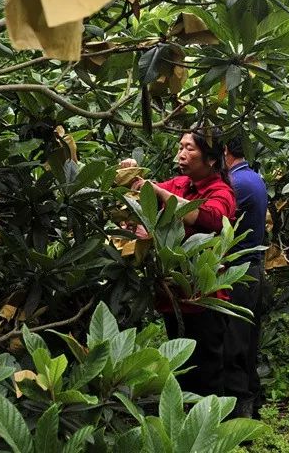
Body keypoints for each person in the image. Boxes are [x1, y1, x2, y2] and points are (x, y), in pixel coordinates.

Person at [120, 129, 236, 396]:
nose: (181, 154)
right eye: (180, 147)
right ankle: (183, 426)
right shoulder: (181, 184)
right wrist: (130, 174)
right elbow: (145, 190)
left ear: (211, 159)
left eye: (189, 148)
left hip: (203, 299)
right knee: (181, 370)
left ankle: (209, 429)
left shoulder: (222, 192)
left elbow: (211, 219)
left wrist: (158, 193)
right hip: (172, 295)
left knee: (206, 372)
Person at [222, 134, 268, 418]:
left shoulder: (238, 184)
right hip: (251, 270)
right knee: (247, 342)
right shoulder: (252, 177)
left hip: (241, 273)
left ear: (225, 150)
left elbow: (208, 215)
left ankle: (241, 414)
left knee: (235, 345)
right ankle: (253, 403)